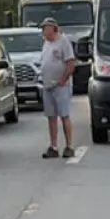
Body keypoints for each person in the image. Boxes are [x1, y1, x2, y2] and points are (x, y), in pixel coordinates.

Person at [38, 17, 77, 158]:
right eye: (42, 28)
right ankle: (53, 146)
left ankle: (69, 146)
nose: (43, 31)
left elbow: (71, 62)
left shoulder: (63, 41)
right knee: (51, 117)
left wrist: (63, 79)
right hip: (48, 85)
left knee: (64, 115)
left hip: (61, 86)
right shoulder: (46, 44)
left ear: (53, 29)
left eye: (45, 28)